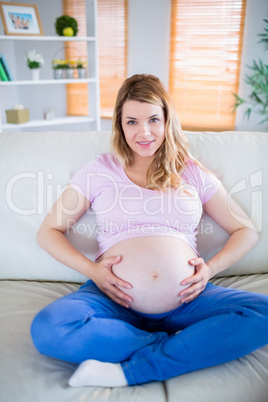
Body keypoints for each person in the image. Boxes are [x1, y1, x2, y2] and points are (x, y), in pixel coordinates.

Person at [31, 74, 268, 387]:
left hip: (188, 299)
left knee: (262, 314)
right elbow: (49, 230)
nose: (143, 133)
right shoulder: (100, 169)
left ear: (167, 120)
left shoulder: (192, 171)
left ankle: (133, 370)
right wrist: (95, 271)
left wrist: (209, 269)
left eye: (154, 119)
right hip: (111, 297)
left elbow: (245, 230)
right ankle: (183, 346)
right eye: (132, 122)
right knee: (50, 328)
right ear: (120, 124)